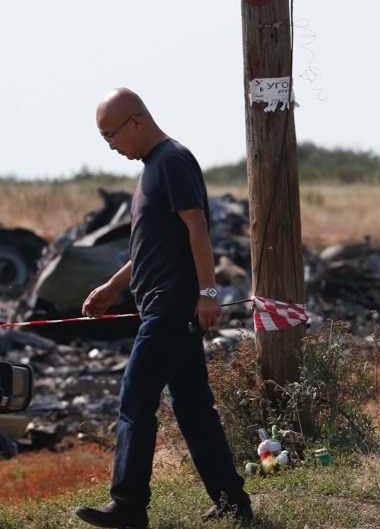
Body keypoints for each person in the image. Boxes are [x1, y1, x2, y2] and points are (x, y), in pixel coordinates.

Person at [76, 88, 252, 528]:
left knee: (135, 396)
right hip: (160, 303)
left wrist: (208, 293)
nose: (112, 146)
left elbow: (197, 229)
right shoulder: (152, 168)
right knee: (193, 407)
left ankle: (130, 505)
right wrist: (114, 286)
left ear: (135, 122)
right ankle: (232, 501)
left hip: (173, 307)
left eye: (110, 135)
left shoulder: (172, 160)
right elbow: (152, 245)